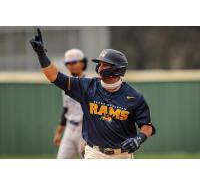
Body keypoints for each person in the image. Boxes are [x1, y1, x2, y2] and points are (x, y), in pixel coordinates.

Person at [30, 28, 156, 159]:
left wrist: (138, 140)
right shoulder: (86, 86)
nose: (99, 67)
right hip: (94, 152)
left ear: (117, 69)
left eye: (104, 64)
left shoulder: (134, 97)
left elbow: (147, 126)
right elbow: (55, 77)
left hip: (122, 155)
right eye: (99, 64)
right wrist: (41, 55)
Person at [53, 49, 87, 159]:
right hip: (69, 128)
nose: (70, 66)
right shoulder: (66, 84)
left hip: (85, 129)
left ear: (82, 63)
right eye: (68, 63)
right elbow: (66, 109)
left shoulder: (90, 82)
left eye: (74, 62)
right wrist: (59, 132)